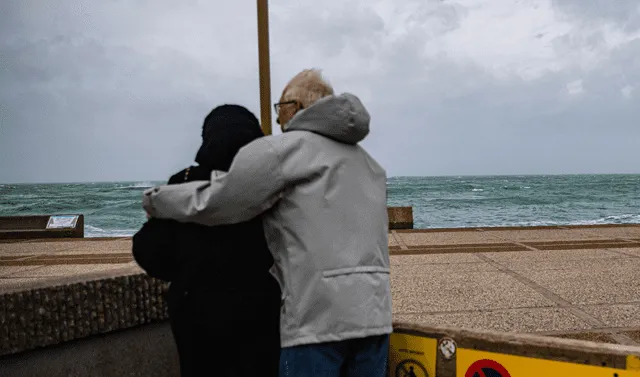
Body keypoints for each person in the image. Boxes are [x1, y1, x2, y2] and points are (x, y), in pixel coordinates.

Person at [142, 69, 392, 377]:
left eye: (281, 106)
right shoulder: (369, 164)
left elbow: (218, 202)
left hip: (316, 319)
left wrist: (157, 200)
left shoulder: (283, 151)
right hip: (374, 315)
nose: (276, 119)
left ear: (299, 107)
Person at [132, 104, 281, 377]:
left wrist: (185, 273)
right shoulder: (265, 185)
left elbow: (149, 249)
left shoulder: (183, 183)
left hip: (196, 308)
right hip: (259, 308)